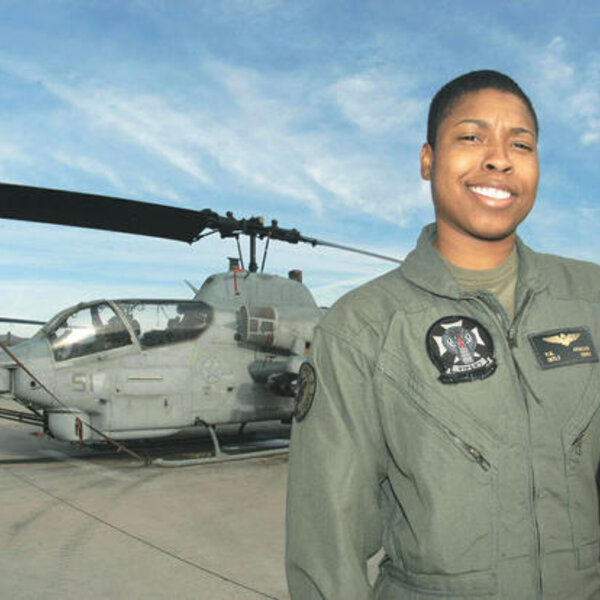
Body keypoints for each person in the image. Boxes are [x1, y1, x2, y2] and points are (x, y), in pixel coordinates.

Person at [285, 70, 600, 599]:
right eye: (472, 137)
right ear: (428, 160)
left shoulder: (591, 299)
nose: (499, 158)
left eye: (520, 143)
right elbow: (327, 544)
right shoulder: (362, 327)